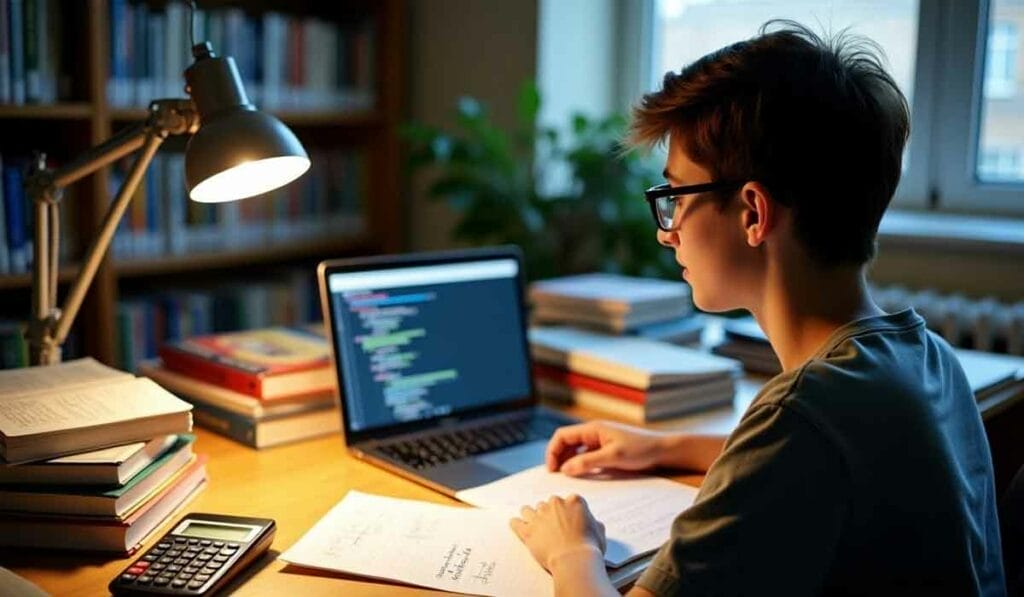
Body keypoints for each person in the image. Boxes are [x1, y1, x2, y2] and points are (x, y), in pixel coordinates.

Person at [509, 21, 1006, 596]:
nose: (665, 234)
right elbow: (831, 465)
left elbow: (799, 445)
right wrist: (665, 447)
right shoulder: (927, 359)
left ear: (753, 213)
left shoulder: (800, 415)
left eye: (673, 198)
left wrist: (573, 552)